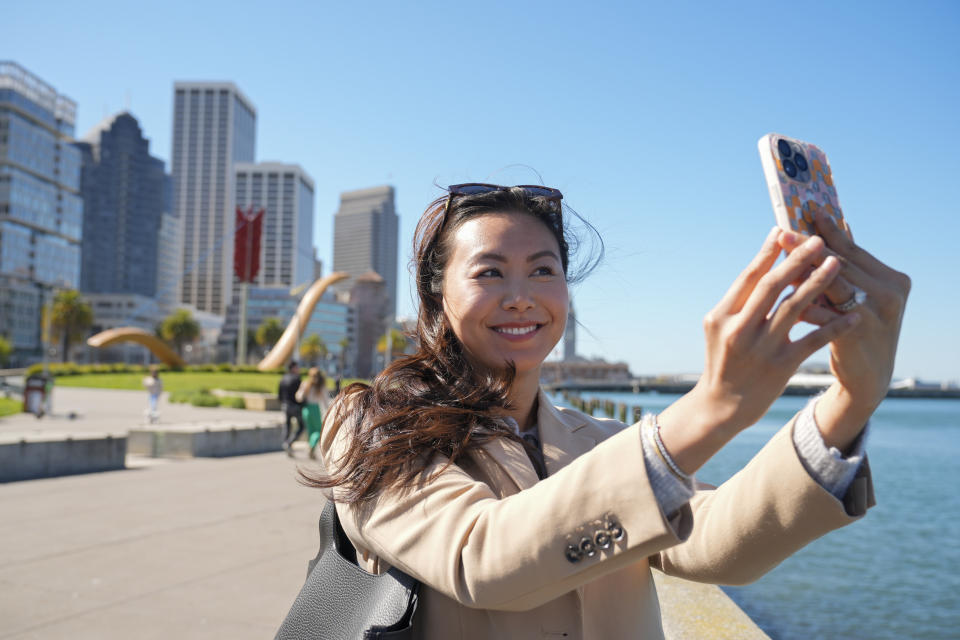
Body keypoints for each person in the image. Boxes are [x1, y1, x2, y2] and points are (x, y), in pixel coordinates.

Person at [306, 184, 909, 639]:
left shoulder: (598, 440)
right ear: (438, 296)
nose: (522, 295)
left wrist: (849, 401)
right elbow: (480, 558)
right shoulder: (372, 425)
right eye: (490, 272)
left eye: (544, 270)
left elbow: (719, 542)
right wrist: (713, 407)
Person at [296, 367, 331, 459]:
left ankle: (311, 449)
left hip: (306, 409)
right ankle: (311, 447)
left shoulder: (305, 384)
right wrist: (329, 411)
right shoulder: (320, 386)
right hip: (315, 409)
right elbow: (325, 401)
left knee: (311, 431)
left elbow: (299, 396)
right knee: (319, 431)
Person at [278, 361, 304, 456]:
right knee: (301, 426)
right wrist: (302, 405)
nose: (298, 369)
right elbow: (300, 395)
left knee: (287, 425)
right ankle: (289, 442)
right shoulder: (297, 379)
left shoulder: (283, 378)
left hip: (285, 405)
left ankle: (286, 442)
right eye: (297, 367)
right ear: (293, 368)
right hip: (295, 406)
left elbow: (279, 394)